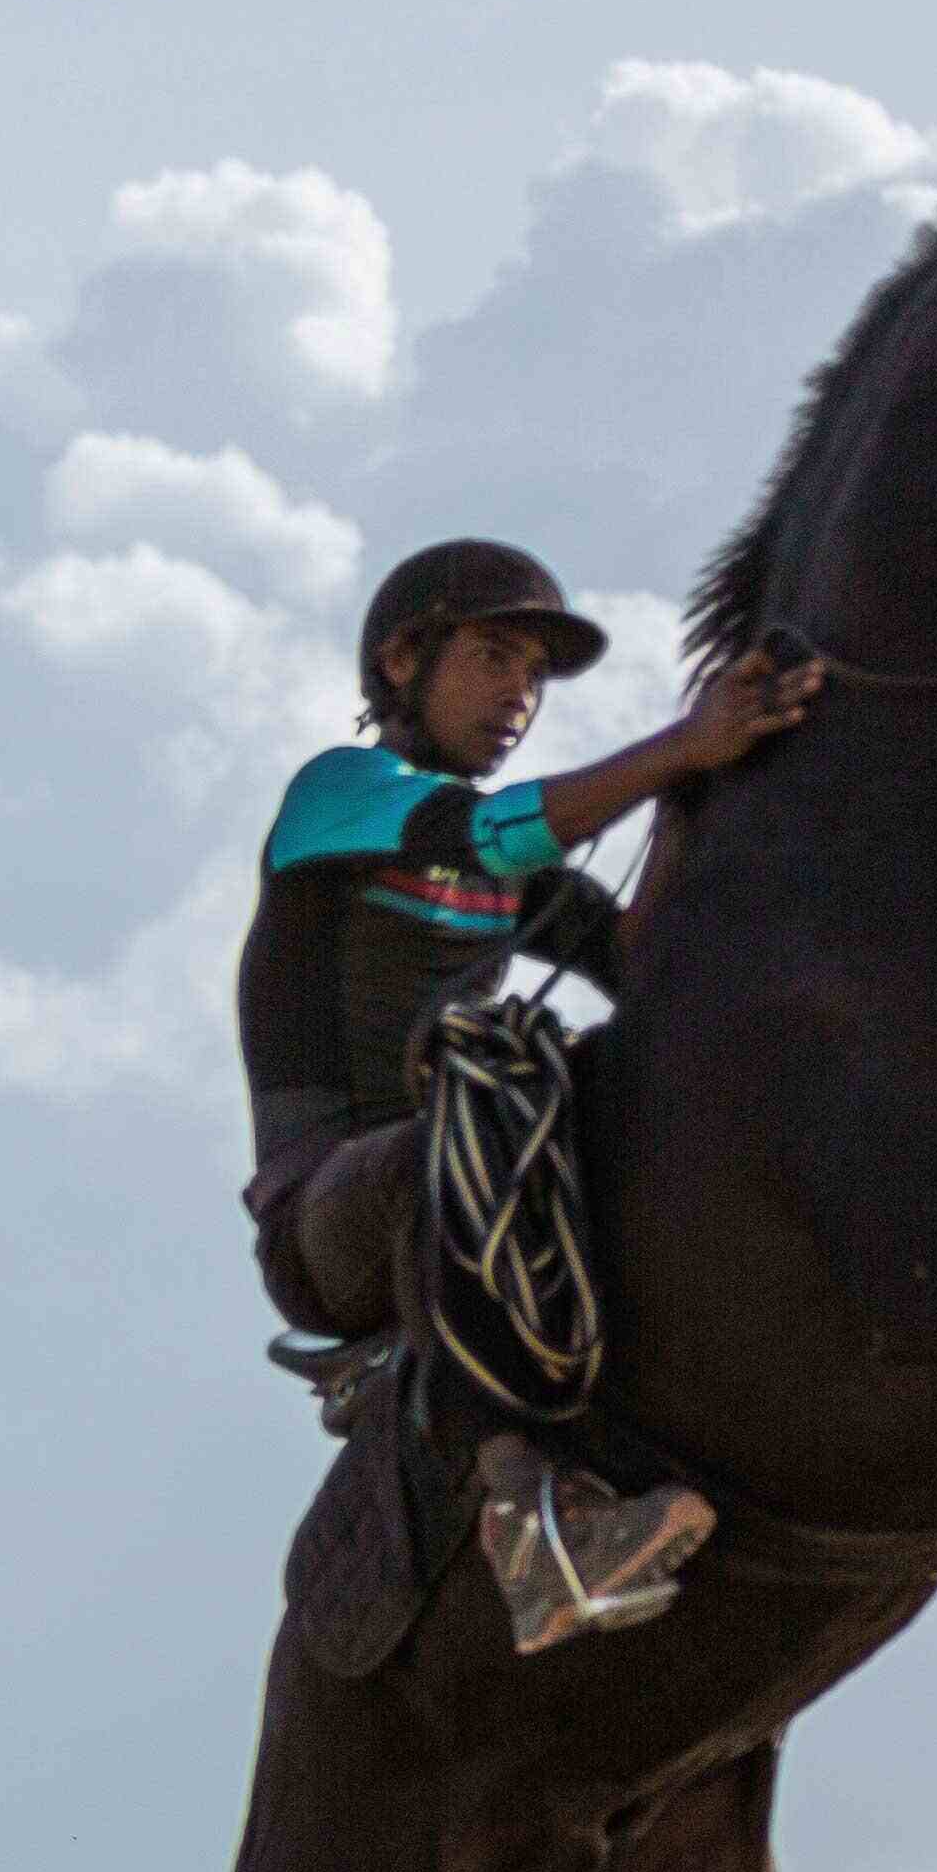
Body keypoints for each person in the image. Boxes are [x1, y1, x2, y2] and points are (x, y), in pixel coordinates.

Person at [240, 537, 818, 1640]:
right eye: (495, 658)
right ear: (404, 660)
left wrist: (709, 788)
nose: (519, 697)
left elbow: (650, 975)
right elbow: (484, 838)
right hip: (328, 1226)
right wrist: (678, 746)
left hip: (465, 1187)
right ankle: (526, 1516)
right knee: (492, 1073)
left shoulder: (518, 875)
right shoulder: (340, 791)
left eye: (535, 681)